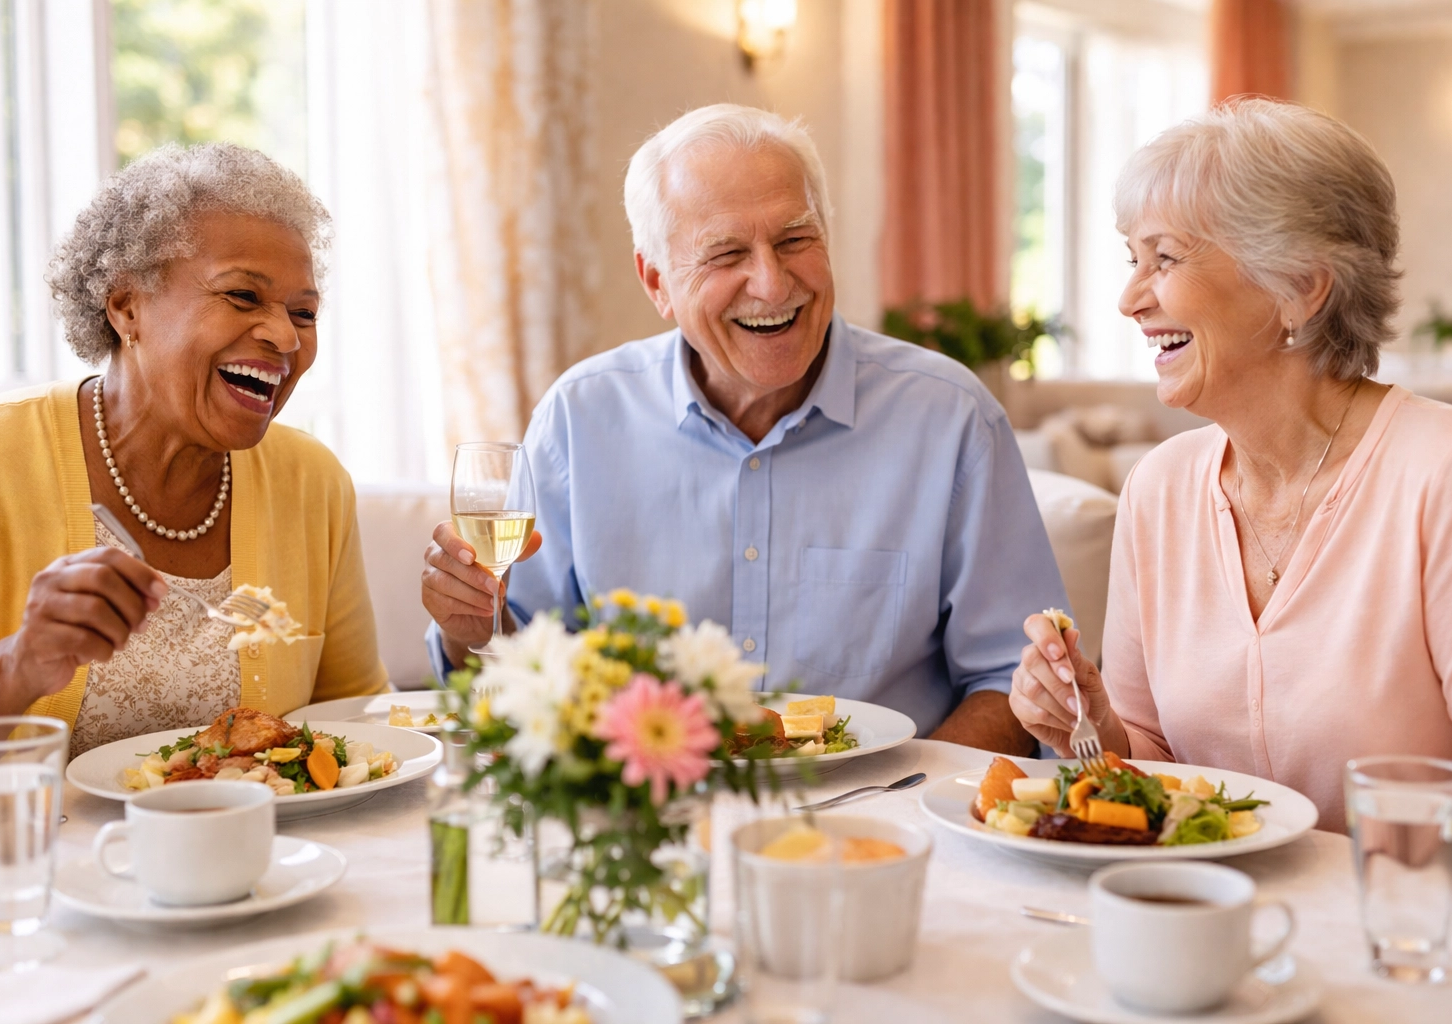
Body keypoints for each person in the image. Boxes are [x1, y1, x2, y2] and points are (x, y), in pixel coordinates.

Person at [421, 104, 1068, 752]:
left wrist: (898, 807)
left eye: (794, 240)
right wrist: (468, 624)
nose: (771, 282)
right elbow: (514, 663)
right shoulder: (579, 420)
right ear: (657, 282)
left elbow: (1015, 679)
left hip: (877, 831)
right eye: (726, 253)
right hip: (642, 826)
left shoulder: (951, 418)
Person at [1010, 98, 1452, 877]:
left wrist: (1325, 916)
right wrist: (1095, 727)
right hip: (1204, 934)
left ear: (1300, 287)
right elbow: (1154, 763)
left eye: (1165, 259)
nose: (1130, 298)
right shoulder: (1159, 489)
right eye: (1130, 259)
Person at [0, 143, 387, 752]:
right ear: (126, 306)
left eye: (304, 312)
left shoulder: (310, 480)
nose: (283, 336)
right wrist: (21, 663)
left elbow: (356, 726)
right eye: (243, 296)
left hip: (263, 847)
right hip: (38, 846)